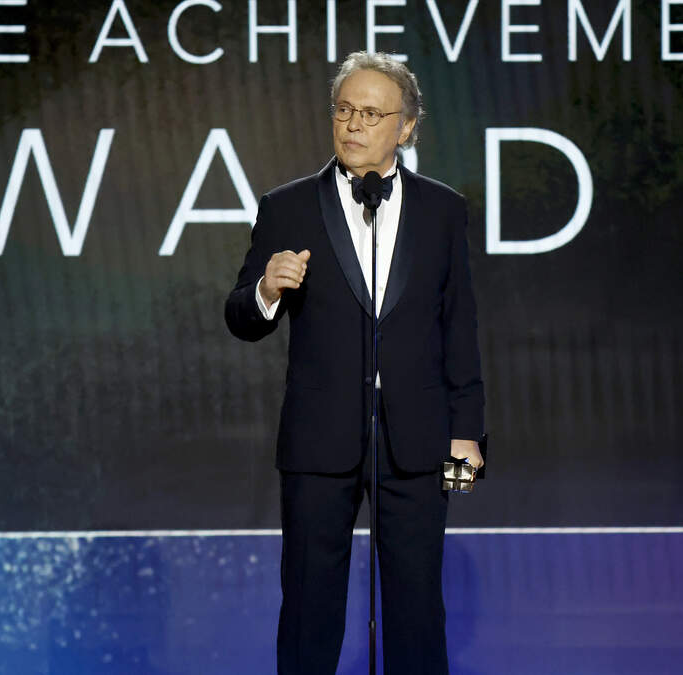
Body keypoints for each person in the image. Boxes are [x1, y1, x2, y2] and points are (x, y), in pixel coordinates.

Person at [225, 51, 485, 675]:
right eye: (344, 110)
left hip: (417, 440)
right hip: (319, 441)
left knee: (417, 610)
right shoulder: (286, 206)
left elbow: (459, 328)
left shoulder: (443, 210)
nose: (353, 125)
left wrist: (467, 433)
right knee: (309, 608)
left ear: (406, 126)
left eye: (371, 113)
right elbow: (240, 317)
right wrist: (266, 290)